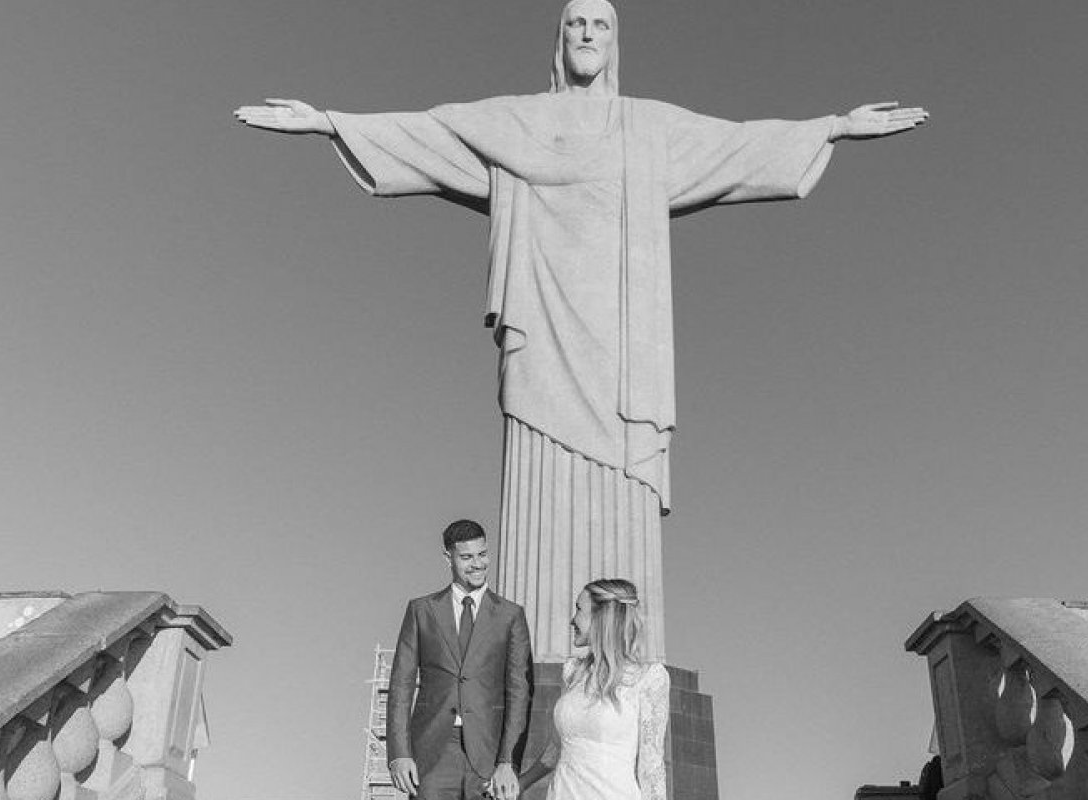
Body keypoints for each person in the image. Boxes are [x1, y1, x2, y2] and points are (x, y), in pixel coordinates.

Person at [234, 0, 928, 665]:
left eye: (601, 24)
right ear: (559, 40)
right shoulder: (515, 123)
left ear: (615, 41)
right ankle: (538, 652)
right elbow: (429, 133)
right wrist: (328, 122)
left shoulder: (647, 129)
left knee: (622, 471)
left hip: (625, 341)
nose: (588, 34)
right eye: (576, 24)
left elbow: (738, 144)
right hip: (540, 320)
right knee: (538, 461)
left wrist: (832, 126)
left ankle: (625, 653)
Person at [385, 520, 533, 800]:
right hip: (431, 754)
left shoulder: (511, 616)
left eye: (482, 554)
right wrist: (399, 754)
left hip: (489, 753)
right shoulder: (421, 610)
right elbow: (401, 687)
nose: (477, 564)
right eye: (467, 557)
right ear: (448, 558)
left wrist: (508, 761)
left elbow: (519, 692)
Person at [517, 578, 669, 800]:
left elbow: (651, 768)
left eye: (579, 609)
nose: (572, 620)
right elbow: (558, 747)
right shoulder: (573, 672)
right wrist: (523, 782)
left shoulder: (648, 678)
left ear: (601, 616)